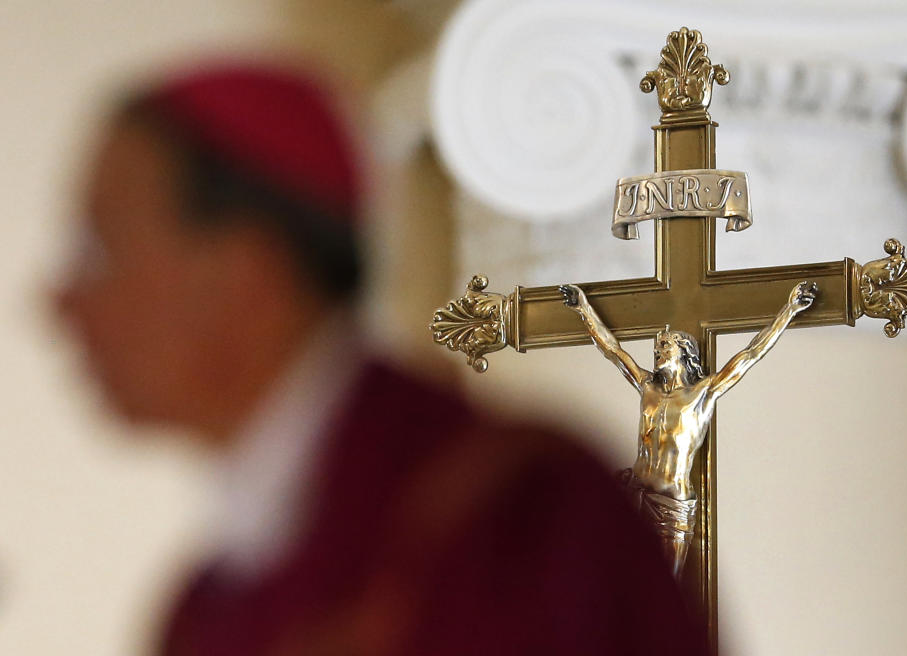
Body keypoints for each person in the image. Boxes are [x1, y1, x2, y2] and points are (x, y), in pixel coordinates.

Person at [56, 60, 707, 655]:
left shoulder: (518, 519)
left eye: (97, 251)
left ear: (246, 274)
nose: (59, 303)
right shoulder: (202, 609)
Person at [560, 280, 817, 577]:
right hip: (635, 496)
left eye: (664, 346)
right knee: (616, 583)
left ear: (683, 351)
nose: (657, 352)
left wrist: (789, 310)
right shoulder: (648, 388)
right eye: (656, 347)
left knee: (664, 592)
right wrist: (584, 310)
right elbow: (613, 350)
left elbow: (750, 354)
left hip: (671, 508)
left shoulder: (702, 394)